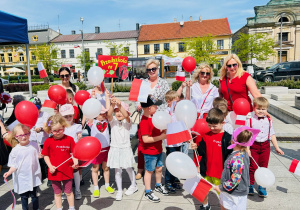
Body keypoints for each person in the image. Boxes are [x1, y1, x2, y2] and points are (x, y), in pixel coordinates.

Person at [191, 108, 232, 210]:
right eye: (209, 126)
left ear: (222, 123)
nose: (212, 128)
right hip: (207, 171)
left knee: (223, 196)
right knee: (202, 191)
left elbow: (231, 156)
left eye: (215, 126)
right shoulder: (206, 136)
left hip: (220, 174)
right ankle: (205, 205)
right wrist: (195, 147)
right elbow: (201, 152)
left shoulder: (228, 138)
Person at [135, 59, 170, 180]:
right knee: (142, 143)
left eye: (153, 69)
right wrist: (138, 105)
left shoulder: (164, 83)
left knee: (156, 142)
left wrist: (157, 108)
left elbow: (166, 101)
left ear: (158, 69)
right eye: (149, 70)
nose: (151, 71)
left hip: (158, 118)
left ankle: (156, 167)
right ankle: (141, 169)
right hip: (144, 117)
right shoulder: (142, 83)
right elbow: (136, 99)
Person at [247, 97, 284, 197]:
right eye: (258, 108)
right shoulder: (250, 120)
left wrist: (277, 147)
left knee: (264, 166)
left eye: (263, 109)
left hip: (265, 146)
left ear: (267, 110)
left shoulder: (268, 120)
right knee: (253, 167)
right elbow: (247, 135)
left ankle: (262, 186)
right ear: (254, 108)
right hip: (254, 146)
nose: (260, 111)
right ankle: (250, 184)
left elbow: (272, 134)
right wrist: (247, 148)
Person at [213, 127, 257, 210]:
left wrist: (221, 187)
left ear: (232, 140)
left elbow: (235, 179)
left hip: (234, 193)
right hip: (236, 191)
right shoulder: (243, 153)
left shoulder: (236, 158)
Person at [42, 114, 78, 210]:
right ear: (50, 130)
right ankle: (59, 208)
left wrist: (75, 162)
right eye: (55, 131)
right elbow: (46, 156)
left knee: (69, 192)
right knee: (57, 193)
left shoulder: (69, 139)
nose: (58, 132)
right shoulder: (48, 141)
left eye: (60, 130)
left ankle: (71, 207)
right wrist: (50, 166)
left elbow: (74, 153)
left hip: (67, 171)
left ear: (64, 127)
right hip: (54, 171)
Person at [3, 124, 42, 210]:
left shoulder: (34, 145)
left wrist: (40, 156)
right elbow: (14, 165)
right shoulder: (15, 150)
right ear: (15, 137)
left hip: (33, 176)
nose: (23, 137)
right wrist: (9, 172)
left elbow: (40, 155)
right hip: (22, 178)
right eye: (20, 135)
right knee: (24, 197)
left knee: (34, 195)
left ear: (29, 133)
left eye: (26, 134)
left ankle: (36, 208)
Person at [139, 95, 168, 203]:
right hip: (150, 152)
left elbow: (159, 130)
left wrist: (164, 130)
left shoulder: (154, 118)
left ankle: (158, 185)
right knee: (149, 171)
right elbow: (145, 139)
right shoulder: (144, 121)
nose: (157, 108)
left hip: (158, 149)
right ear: (148, 108)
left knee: (159, 168)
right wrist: (161, 137)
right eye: (155, 106)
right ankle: (148, 191)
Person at [106, 97, 137, 201]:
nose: (118, 113)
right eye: (116, 111)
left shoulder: (128, 122)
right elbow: (109, 115)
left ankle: (133, 185)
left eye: (120, 111)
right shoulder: (113, 121)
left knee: (128, 168)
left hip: (125, 148)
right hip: (115, 148)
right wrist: (112, 105)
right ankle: (119, 190)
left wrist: (119, 105)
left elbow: (127, 116)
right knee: (117, 170)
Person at [88, 106, 114, 198]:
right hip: (96, 150)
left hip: (106, 148)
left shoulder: (106, 121)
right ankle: (96, 187)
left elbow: (109, 109)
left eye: (104, 113)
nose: (103, 115)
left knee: (106, 168)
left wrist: (108, 99)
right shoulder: (92, 122)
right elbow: (89, 110)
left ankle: (107, 185)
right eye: (100, 113)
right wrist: (93, 98)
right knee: (95, 168)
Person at [59, 104, 83, 200]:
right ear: (61, 117)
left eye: (70, 116)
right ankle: (65, 191)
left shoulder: (77, 126)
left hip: (74, 152)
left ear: (73, 116)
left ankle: (77, 190)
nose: (68, 118)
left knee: (75, 170)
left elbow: (79, 137)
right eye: (65, 116)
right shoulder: (60, 127)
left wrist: (80, 137)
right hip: (62, 152)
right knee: (63, 172)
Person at [163, 90, 182, 193]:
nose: (177, 103)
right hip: (170, 142)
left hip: (178, 141)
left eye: (178, 101)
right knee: (171, 161)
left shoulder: (177, 112)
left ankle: (174, 179)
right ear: (168, 101)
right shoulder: (167, 112)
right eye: (175, 101)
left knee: (177, 161)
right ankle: (168, 182)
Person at [29, 97, 50, 183]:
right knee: (36, 160)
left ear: (41, 106)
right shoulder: (28, 116)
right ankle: (40, 177)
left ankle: (49, 177)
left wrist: (41, 129)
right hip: (32, 141)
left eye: (37, 108)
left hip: (43, 141)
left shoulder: (45, 114)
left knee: (46, 160)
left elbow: (48, 125)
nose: (36, 110)